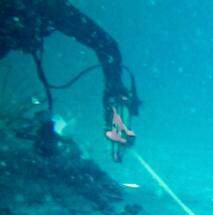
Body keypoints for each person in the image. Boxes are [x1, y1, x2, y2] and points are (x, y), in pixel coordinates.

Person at [1, 0, 136, 153]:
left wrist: (114, 95)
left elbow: (106, 45)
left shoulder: (47, 8)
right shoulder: (42, 9)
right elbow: (106, 45)